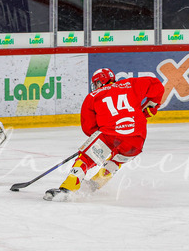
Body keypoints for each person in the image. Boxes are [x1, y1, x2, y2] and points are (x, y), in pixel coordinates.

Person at [43, 68, 164, 201]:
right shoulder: (131, 84)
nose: (95, 87)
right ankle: (94, 184)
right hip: (137, 139)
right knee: (117, 160)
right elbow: (157, 85)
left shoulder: (92, 96)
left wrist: (103, 136)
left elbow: (88, 128)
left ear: (100, 82)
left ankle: (67, 189)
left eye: (96, 84)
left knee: (85, 158)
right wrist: (150, 108)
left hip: (109, 135)